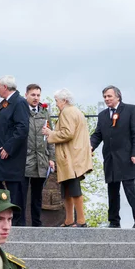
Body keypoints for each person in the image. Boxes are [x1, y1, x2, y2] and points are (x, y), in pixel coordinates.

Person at [90, 85, 135, 229]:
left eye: (109, 96)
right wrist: (90, 146)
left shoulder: (130, 110)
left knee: (129, 187)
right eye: (104, 97)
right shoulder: (103, 115)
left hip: (127, 157)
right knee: (112, 190)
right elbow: (98, 134)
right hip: (110, 158)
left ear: (118, 96)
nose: (106, 99)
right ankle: (114, 221)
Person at [42, 89, 93, 227]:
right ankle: (69, 220)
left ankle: (81, 221)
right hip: (73, 155)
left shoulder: (67, 112)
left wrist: (50, 133)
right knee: (67, 190)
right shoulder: (75, 111)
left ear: (64, 100)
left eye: (57, 100)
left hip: (70, 157)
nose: (56, 104)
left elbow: (67, 133)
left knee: (74, 189)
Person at [0, 75, 30, 226]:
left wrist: (9, 147)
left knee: (15, 189)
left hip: (11, 156)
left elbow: (22, 128)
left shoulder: (19, 102)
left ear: (4, 87)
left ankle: (16, 223)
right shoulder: (8, 103)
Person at [23, 83, 55, 227]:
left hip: (41, 160)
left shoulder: (44, 112)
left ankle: (37, 223)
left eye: (38, 95)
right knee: (21, 193)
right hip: (24, 159)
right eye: (33, 95)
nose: (36, 98)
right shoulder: (21, 111)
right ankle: (20, 222)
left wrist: (51, 158)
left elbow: (50, 137)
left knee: (37, 194)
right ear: (26, 95)